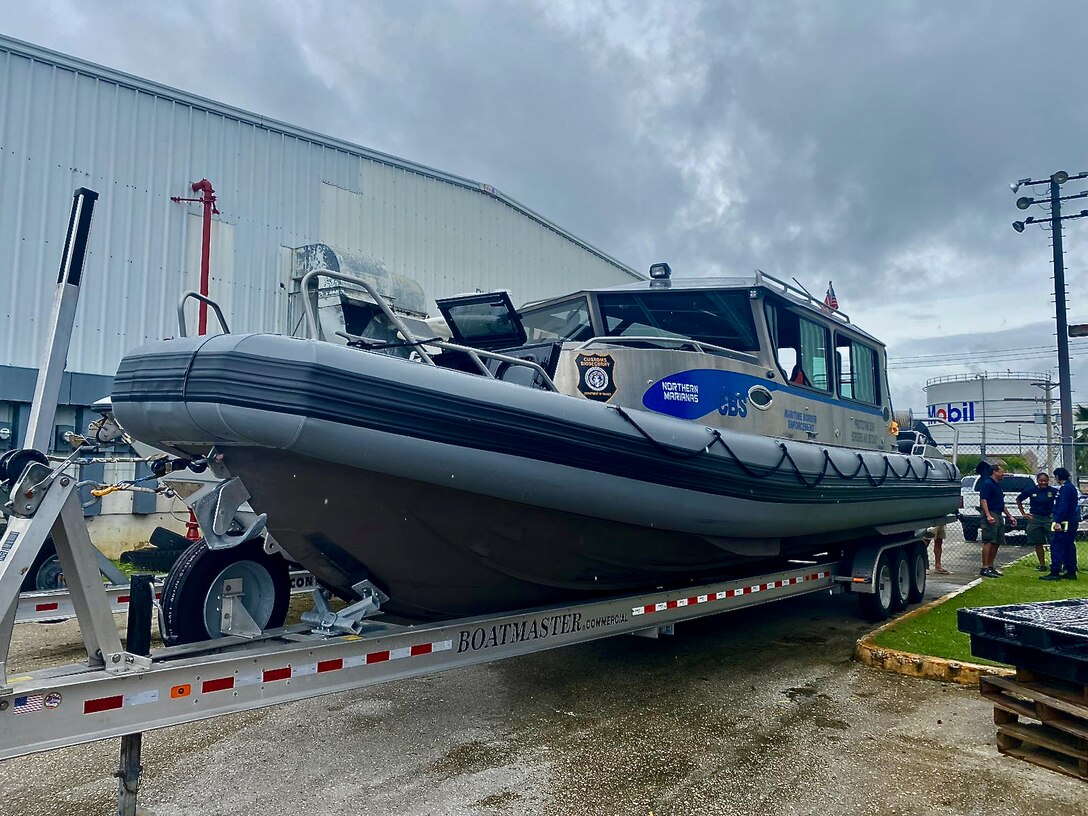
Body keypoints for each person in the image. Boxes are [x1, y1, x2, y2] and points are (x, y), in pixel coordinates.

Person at [1040, 466, 1079, 581]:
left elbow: (1063, 506)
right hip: (1071, 520)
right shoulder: (1071, 487)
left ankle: (1055, 571)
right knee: (1068, 546)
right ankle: (1071, 570)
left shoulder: (1065, 489)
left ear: (1057, 477)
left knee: (1057, 545)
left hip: (1064, 521)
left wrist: (1057, 521)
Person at [978, 461, 1016, 578]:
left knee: (996, 542)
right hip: (991, 513)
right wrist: (988, 515)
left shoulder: (997, 485)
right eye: (1001, 471)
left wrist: (1009, 516)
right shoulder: (987, 484)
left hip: (999, 514)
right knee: (988, 541)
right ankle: (984, 567)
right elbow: (983, 500)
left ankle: (990, 566)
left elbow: (1001, 503)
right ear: (994, 472)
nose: (1003, 473)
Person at [1016, 472, 1057, 571]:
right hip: (1035, 518)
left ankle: (1055, 564)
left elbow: (1060, 502)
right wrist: (1024, 513)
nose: (1043, 483)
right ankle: (1042, 565)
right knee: (1038, 542)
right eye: (1041, 481)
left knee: (1054, 542)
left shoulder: (1053, 491)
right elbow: (1018, 499)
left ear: (1048, 481)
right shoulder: (1031, 490)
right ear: (1037, 481)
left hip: (1048, 518)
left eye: (1045, 481)